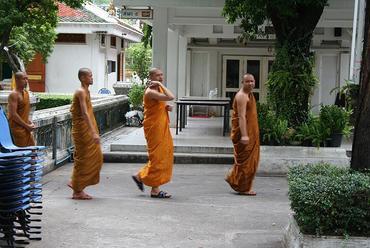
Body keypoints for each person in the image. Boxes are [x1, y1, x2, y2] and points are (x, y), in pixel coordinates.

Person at [131, 68, 175, 198]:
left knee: (163, 155)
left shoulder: (157, 90)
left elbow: (158, 104)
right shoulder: (150, 91)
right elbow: (171, 96)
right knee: (157, 157)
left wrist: (165, 107)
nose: (161, 77)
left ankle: (140, 177)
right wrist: (161, 85)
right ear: (151, 77)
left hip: (161, 125)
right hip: (154, 127)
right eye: (158, 75)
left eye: (162, 75)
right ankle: (154, 189)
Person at [68, 68, 103, 200]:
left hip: (86, 128)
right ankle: (77, 190)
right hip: (82, 130)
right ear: (83, 78)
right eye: (90, 76)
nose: (92, 78)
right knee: (83, 158)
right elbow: (84, 113)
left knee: (94, 157)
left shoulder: (86, 90)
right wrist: (93, 132)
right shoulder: (81, 92)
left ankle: (75, 182)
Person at [225, 73, 260, 195]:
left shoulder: (249, 94)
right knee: (245, 162)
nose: (250, 83)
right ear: (242, 83)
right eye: (247, 81)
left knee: (252, 161)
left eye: (252, 81)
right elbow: (241, 117)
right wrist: (244, 135)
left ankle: (235, 179)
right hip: (244, 132)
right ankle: (242, 186)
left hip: (252, 131)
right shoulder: (242, 96)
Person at [7, 71, 36, 146]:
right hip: (17, 130)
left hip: (26, 129)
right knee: (22, 153)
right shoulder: (14, 95)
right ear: (17, 80)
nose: (26, 81)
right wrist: (27, 126)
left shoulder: (26, 93)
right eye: (24, 79)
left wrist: (29, 123)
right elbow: (13, 114)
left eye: (27, 79)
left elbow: (24, 112)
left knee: (33, 152)